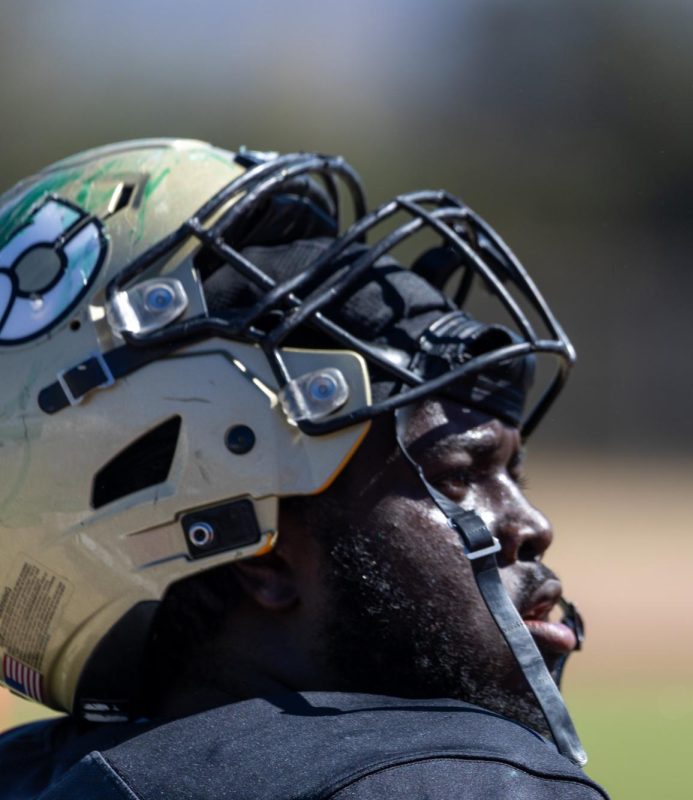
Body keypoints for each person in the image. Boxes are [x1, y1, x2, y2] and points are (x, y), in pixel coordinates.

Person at [0, 139, 607, 798]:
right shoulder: (455, 783)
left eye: (514, 474)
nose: (532, 525)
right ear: (262, 555)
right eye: (459, 472)